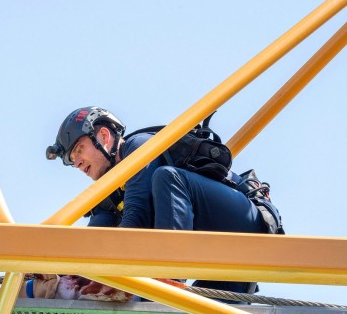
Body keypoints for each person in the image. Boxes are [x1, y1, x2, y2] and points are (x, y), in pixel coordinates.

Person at [46, 106, 281, 299]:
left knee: (167, 177)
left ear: (104, 137)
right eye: (72, 160)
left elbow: (136, 219)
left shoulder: (138, 147)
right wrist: (56, 273)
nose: (77, 163)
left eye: (79, 150)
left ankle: (168, 284)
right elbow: (92, 246)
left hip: (245, 224)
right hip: (227, 266)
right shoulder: (106, 194)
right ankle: (164, 289)